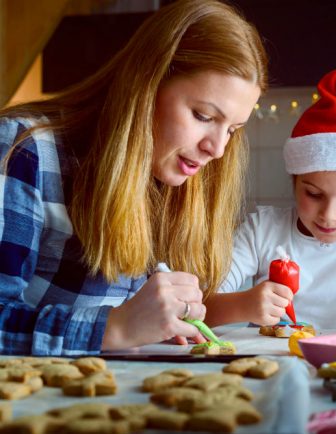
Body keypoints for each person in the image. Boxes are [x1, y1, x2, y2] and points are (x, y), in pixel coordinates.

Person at [0, 0, 267, 355]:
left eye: (232, 129)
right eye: (203, 116)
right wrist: (117, 327)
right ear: (146, 86)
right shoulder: (24, 150)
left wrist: (167, 321)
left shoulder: (173, 178)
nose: (217, 149)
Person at [204, 68, 336, 330]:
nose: (329, 215)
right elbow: (199, 308)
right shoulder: (261, 230)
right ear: (294, 181)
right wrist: (243, 304)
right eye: (314, 194)